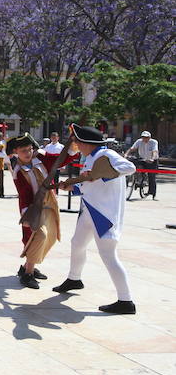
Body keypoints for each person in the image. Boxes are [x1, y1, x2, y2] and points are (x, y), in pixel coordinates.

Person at [54, 124, 137, 314]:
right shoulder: (90, 157)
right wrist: (72, 188)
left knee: (108, 255)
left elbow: (129, 167)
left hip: (103, 215)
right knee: (77, 243)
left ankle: (126, 301)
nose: (74, 144)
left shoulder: (106, 155)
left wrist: (101, 175)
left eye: (76, 141)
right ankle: (74, 279)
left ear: (86, 143)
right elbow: (89, 185)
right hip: (89, 210)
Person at [7, 133, 77, 289]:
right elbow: (24, 193)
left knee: (49, 237)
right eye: (23, 150)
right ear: (16, 151)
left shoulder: (43, 159)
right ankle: (28, 274)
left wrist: (71, 147)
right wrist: (27, 213)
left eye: (29, 149)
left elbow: (61, 159)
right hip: (32, 208)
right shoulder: (18, 170)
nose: (27, 153)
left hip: (50, 204)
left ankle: (27, 266)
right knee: (37, 236)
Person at [126, 131, 159, 199]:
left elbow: (155, 151)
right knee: (135, 166)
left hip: (151, 161)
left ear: (149, 137)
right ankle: (138, 179)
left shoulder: (154, 142)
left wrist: (152, 159)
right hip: (142, 159)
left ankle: (152, 193)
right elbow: (132, 149)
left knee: (151, 176)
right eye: (143, 137)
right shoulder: (139, 141)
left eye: (146, 137)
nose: (145, 139)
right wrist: (126, 154)